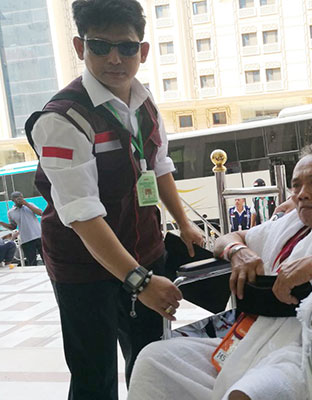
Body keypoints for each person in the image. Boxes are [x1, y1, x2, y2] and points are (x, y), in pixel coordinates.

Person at [127, 145, 312, 400]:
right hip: (253, 338)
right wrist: (238, 251)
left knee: (250, 392)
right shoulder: (287, 226)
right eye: (296, 186)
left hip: (311, 352)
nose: (303, 194)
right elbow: (225, 240)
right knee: (154, 360)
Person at [23, 1, 205, 398]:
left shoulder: (145, 102)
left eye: (126, 47)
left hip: (145, 251)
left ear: (143, 51)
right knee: (95, 377)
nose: (114, 58)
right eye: (100, 46)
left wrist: (185, 223)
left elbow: (159, 165)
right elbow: (83, 215)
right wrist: (140, 281)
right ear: (79, 47)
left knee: (152, 364)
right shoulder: (62, 119)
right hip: (84, 270)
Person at [0, 191, 43, 266]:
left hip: (39, 236)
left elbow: (40, 213)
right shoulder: (11, 212)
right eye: (17, 198)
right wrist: (1, 223)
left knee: (47, 258)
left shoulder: (30, 205)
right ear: (13, 200)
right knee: (31, 262)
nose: (19, 199)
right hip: (26, 240)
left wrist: (26, 204)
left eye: (20, 197)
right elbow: (13, 227)